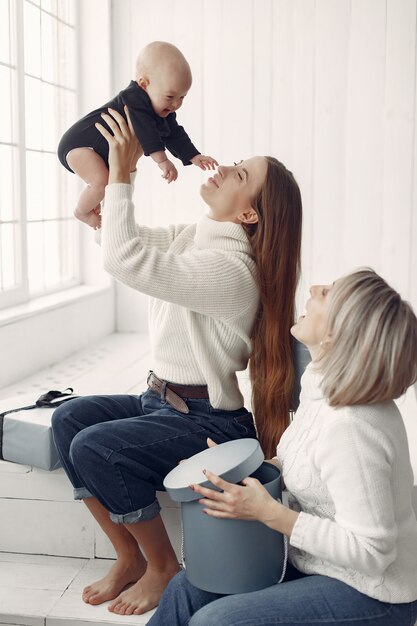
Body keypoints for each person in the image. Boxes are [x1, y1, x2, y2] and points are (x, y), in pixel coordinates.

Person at [51, 106, 303, 616]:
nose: (219, 169)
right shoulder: (199, 237)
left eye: (238, 175)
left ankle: (163, 566)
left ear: (249, 214)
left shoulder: (232, 271)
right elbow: (133, 245)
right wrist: (101, 211)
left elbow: (130, 262)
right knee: (68, 418)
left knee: (96, 447)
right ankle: (129, 556)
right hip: (160, 401)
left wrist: (121, 174)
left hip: (208, 420)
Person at [149, 269, 417, 626]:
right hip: (317, 564)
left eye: (327, 294)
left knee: (216, 622)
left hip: (372, 591)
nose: (314, 288)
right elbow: (306, 467)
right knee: (187, 588)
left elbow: (373, 552)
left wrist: (268, 512)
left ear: (337, 333)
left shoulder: (351, 427)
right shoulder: (322, 387)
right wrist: (227, 470)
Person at [57, 41, 218, 229]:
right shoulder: (133, 98)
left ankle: (97, 210)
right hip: (79, 147)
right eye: (170, 96)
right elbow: (146, 132)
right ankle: (81, 211)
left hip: (94, 150)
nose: (176, 105)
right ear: (143, 84)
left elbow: (175, 133)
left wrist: (194, 156)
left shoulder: (160, 110)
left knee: (110, 184)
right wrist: (162, 161)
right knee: (101, 182)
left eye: (182, 97)